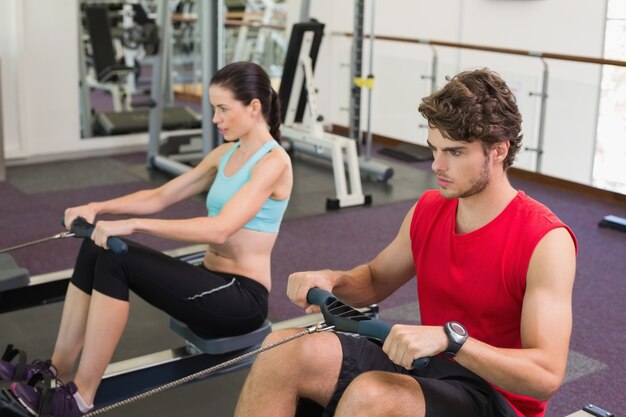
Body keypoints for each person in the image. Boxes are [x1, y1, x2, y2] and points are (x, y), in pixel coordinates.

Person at [234, 68, 577, 417]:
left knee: (371, 396)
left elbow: (545, 376)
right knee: (282, 350)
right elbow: (374, 281)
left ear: (499, 151)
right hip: (426, 365)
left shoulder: (545, 240)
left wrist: (452, 341)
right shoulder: (429, 209)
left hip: (494, 396)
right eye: (434, 149)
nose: (436, 165)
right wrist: (332, 279)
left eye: (455, 153)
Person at [1, 61, 292, 417]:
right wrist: (98, 207)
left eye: (222, 109)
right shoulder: (226, 153)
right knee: (98, 244)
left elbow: (220, 229)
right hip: (209, 280)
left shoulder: (274, 163)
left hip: (240, 299)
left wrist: (135, 225)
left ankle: (79, 399)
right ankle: (56, 370)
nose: (215, 118)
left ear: (254, 107)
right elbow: (161, 196)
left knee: (118, 257)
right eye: (214, 109)